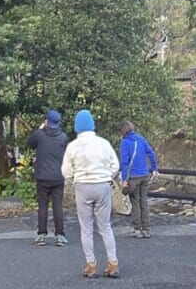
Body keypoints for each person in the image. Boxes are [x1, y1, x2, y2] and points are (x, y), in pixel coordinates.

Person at [62, 109, 120, 278]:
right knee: (105, 226)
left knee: (86, 227)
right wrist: (107, 176)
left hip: (83, 186)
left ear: (77, 127)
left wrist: (74, 179)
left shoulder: (72, 146)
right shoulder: (104, 143)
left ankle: (91, 265)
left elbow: (66, 171)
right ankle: (113, 263)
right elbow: (115, 165)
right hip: (102, 185)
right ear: (93, 125)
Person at [26, 109, 69, 246]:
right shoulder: (63, 137)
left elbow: (29, 143)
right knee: (58, 206)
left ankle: (41, 235)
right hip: (58, 176)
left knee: (42, 205)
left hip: (42, 176)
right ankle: (60, 235)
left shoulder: (39, 135)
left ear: (46, 121)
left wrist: (40, 128)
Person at [118, 120, 159, 238]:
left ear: (123, 131)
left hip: (133, 177)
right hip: (145, 175)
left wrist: (125, 179)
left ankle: (137, 229)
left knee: (135, 202)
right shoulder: (141, 139)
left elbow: (125, 163)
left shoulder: (125, 143)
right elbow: (151, 153)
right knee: (144, 201)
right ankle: (146, 229)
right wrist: (155, 168)